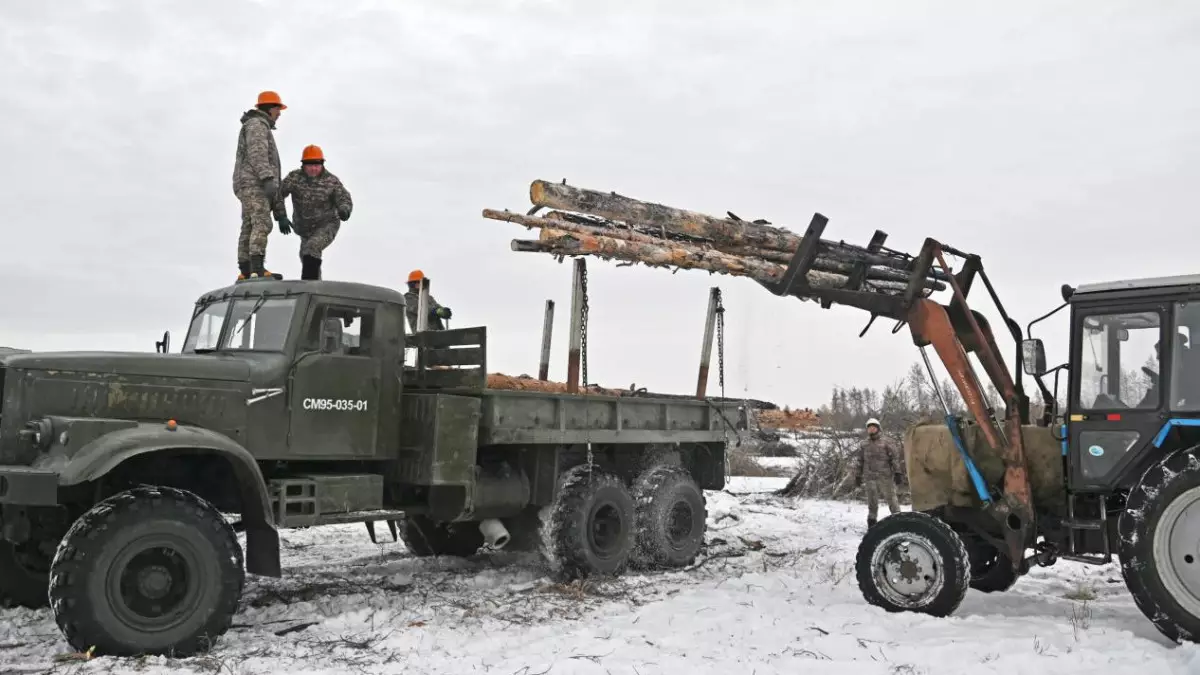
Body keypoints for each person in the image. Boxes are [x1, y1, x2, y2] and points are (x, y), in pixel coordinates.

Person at [233, 90, 292, 280]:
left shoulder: (258, 125)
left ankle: (245, 270)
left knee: (249, 224)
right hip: (254, 182)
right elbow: (257, 154)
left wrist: (280, 214)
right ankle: (257, 270)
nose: (280, 113)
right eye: (278, 108)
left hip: (250, 182)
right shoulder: (257, 125)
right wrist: (266, 178)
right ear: (270, 108)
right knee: (262, 222)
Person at [277, 145, 353, 280]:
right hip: (305, 228)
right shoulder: (294, 178)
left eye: (317, 165)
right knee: (306, 256)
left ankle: (307, 285)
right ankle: (316, 288)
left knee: (312, 249)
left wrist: (344, 209)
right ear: (303, 165)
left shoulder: (331, 181)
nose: (313, 168)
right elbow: (278, 194)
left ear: (322, 165)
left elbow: (344, 198)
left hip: (327, 225)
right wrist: (281, 215)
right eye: (309, 165)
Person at [848, 418, 903, 528]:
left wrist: (898, 473)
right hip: (870, 478)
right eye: (869, 427)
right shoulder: (864, 444)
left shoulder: (887, 441)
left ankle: (899, 522)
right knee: (872, 503)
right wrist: (858, 476)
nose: (871, 429)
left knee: (892, 500)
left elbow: (894, 458)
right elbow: (860, 461)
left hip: (885, 476)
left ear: (878, 428)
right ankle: (872, 524)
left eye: (873, 427)